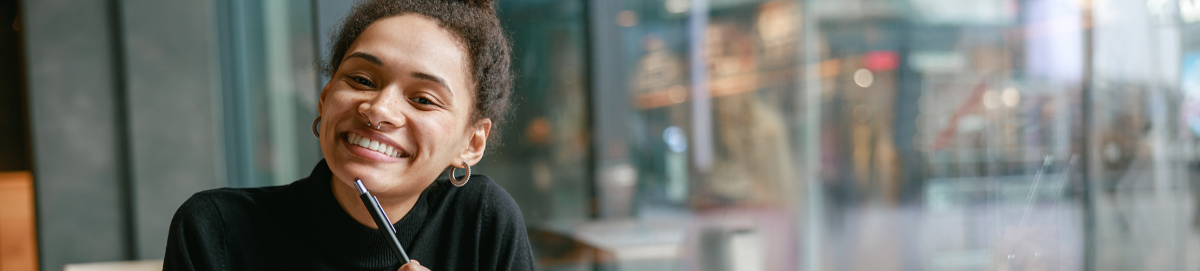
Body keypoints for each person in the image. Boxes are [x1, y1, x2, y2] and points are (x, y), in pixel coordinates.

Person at [163, 0, 533, 270]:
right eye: (361, 80)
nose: (378, 110)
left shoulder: (482, 222)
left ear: (472, 143)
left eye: (422, 99)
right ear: (325, 100)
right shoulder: (217, 231)